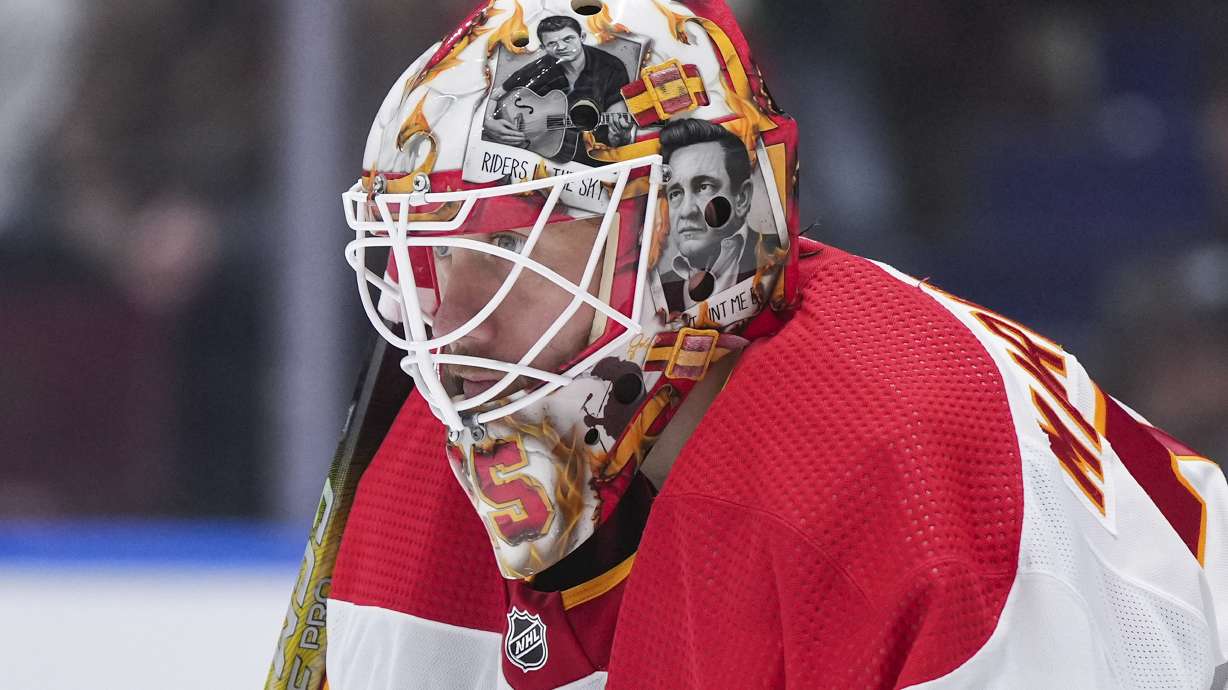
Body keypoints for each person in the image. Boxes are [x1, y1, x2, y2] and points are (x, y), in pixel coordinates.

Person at [267, 1, 1228, 689]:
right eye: (420, 251)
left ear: (691, 230)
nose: (442, 313)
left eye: (507, 243)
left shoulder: (901, 464)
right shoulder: (434, 466)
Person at [657, 117, 781, 312]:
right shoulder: (658, 291)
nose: (687, 210)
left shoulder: (778, 259)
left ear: (741, 198)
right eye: (676, 193)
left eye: (704, 187)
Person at [484, 14, 635, 163]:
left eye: (568, 39)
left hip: (593, 159)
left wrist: (619, 135)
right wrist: (489, 121)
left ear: (582, 37)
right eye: (552, 43)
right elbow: (493, 95)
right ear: (543, 47)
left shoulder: (611, 67)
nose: (561, 47)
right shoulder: (540, 67)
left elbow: (617, 128)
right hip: (540, 155)